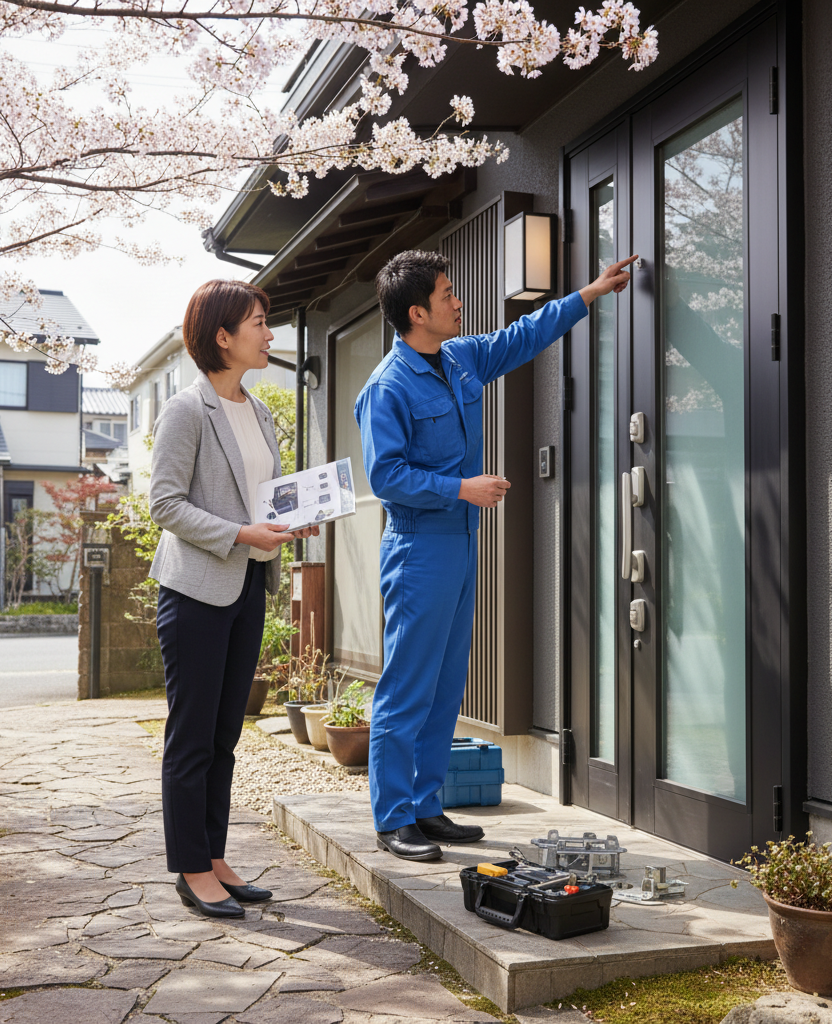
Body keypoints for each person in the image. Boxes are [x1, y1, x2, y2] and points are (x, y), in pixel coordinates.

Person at [354, 249, 637, 861]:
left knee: (446, 681)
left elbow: (522, 336)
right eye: (449, 293)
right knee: (408, 684)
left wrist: (588, 294)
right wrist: (463, 488)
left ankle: (426, 807)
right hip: (417, 546)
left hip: (459, 543)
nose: (459, 301)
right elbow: (386, 476)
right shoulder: (387, 387)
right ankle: (393, 814)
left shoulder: (457, 359)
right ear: (417, 312)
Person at [148, 279, 319, 915]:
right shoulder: (187, 410)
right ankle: (190, 868)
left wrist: (293, 518)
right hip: (195, 590)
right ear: (223, 336)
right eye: (258, 323)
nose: (269, 334)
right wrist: (239, 532)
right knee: (191, 736)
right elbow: (163, 503)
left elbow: (264, 496)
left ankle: (215, 856)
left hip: (250, 581)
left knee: (225, 735)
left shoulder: (259, 409)